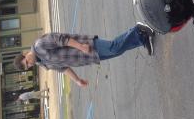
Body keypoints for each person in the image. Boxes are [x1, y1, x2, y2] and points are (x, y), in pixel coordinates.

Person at [14, 25, 155, 89]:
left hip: (86, 46)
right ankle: (141, 39)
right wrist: (77, 80)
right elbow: (63, 69)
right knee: (116, 52)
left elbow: (62, 39)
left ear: (25, 54)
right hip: (86, 58)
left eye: (26, 62)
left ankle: (138, 30)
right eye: (27, 66)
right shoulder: (42, 64)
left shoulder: (39, 45)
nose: (29, 64)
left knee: (113, 47)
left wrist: (81, 47)